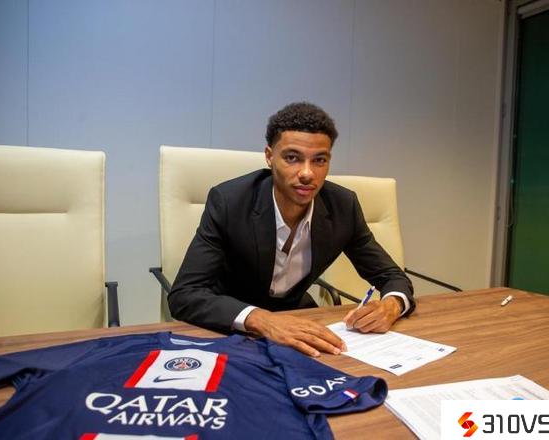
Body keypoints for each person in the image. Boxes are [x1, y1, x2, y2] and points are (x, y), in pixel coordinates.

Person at [169, 102, 414, 357]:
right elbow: (185, 295)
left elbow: (392, 276)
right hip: (230, 328)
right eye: (292, 158)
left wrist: (392, 305)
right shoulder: (230, 202)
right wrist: (261, 319)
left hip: (298, 322)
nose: (307, 173)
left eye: (319, 160)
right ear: (269, 156)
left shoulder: (343, 207)